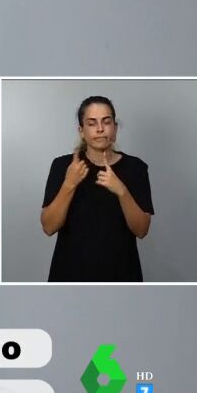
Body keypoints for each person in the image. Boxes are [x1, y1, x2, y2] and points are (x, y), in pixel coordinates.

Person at [40, 96, 153, 282]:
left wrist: (121, 190)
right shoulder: (63, 166)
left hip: (121, 277)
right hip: (69, 278)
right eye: (92, 123)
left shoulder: (135, 168)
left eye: (106, 122)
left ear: (115, 128)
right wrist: (69, 183)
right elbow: (49, 227)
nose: (100, 129)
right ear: (81, 131)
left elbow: (141, 230)